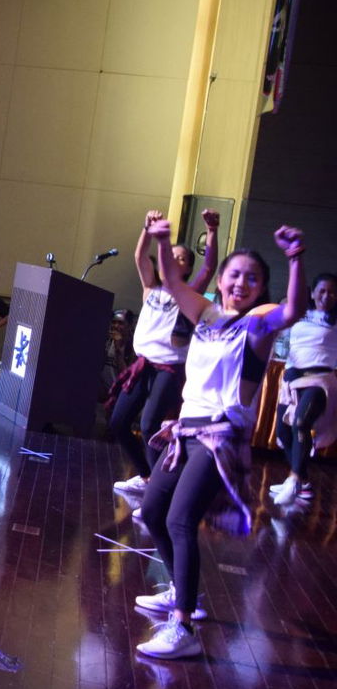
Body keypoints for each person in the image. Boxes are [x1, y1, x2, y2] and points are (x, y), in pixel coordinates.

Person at [133, 219, 305, 659]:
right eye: (235, 274)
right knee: (152, 511)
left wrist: (295, 258)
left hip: (220, 436)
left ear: (262, 287)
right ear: (222, 279)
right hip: (187, 429)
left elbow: (293, 310)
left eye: (253, 277)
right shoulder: (206, 315)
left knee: (180, 520)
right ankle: (182, 592)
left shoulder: (259, 323)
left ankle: (184, 628)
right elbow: (173, 281)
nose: (242, 283)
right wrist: (162, 239)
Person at [109, 209, 219, 493]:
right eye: (171, 254)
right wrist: (147, 228)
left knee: (150, 426)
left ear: (187, 268)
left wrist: (212, 231)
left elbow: (209, 268)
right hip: (143, 364)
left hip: (169, 369)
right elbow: (139, 256)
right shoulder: (151, 287)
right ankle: (147, 477)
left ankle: (162, 485)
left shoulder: (189, 294)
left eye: (181, 258)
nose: (173, 259)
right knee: (119, 422)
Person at [271, 272, 336, 506]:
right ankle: (302, 482)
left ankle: (294, 479)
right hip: (291, 379)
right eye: (322, 291)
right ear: (313, 293)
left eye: (332, 292)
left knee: (300, 422)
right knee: (283, 432)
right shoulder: (300, 314)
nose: (326, 296)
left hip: (319, 380)